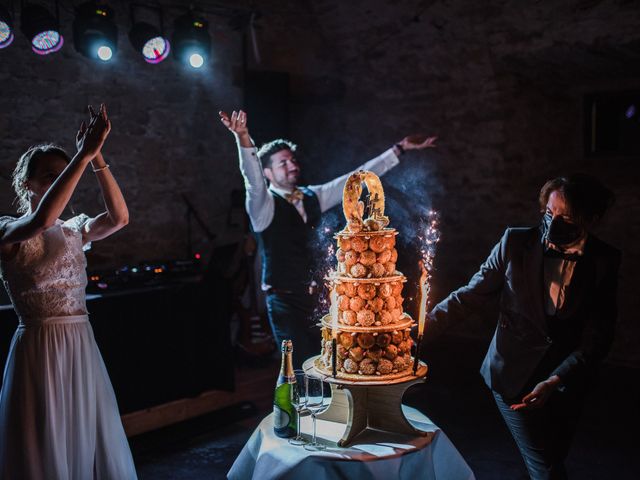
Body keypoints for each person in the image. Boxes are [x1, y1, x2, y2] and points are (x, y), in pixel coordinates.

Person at [427, 174, 620, 480]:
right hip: (512, 375)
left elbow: (599, 336)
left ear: (591, 219)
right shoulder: (514, 242)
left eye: (566, 217)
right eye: (549, 213)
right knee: (547, 470)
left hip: (566, 381)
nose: (554, 223)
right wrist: (419, 331)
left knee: (554, 454)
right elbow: (469, 296)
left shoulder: (605, 260)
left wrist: (556, 380)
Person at [220, 109, 437, 366]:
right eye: (283, 163)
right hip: (285, 301)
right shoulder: (262, 206)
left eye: (293, 160)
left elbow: (354, 179)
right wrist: (243, 138)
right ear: (268, 172)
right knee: (298, 368)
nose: (292, 166)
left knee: (329, 364)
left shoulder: (313, 196)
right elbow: (252, 180)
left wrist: (399, 149)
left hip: (319, 298)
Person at [0, 104, 137, 479]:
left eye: (64, 176)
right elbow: (42, 218)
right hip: (40, 347)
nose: (61, 182)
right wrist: (82, 154)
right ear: (27, 183)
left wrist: (97, 158)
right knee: (45, 440)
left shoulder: (75, 228)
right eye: (49, 177)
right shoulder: (7, 230)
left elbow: (120, 219)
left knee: (87, 435)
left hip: (80, 342)